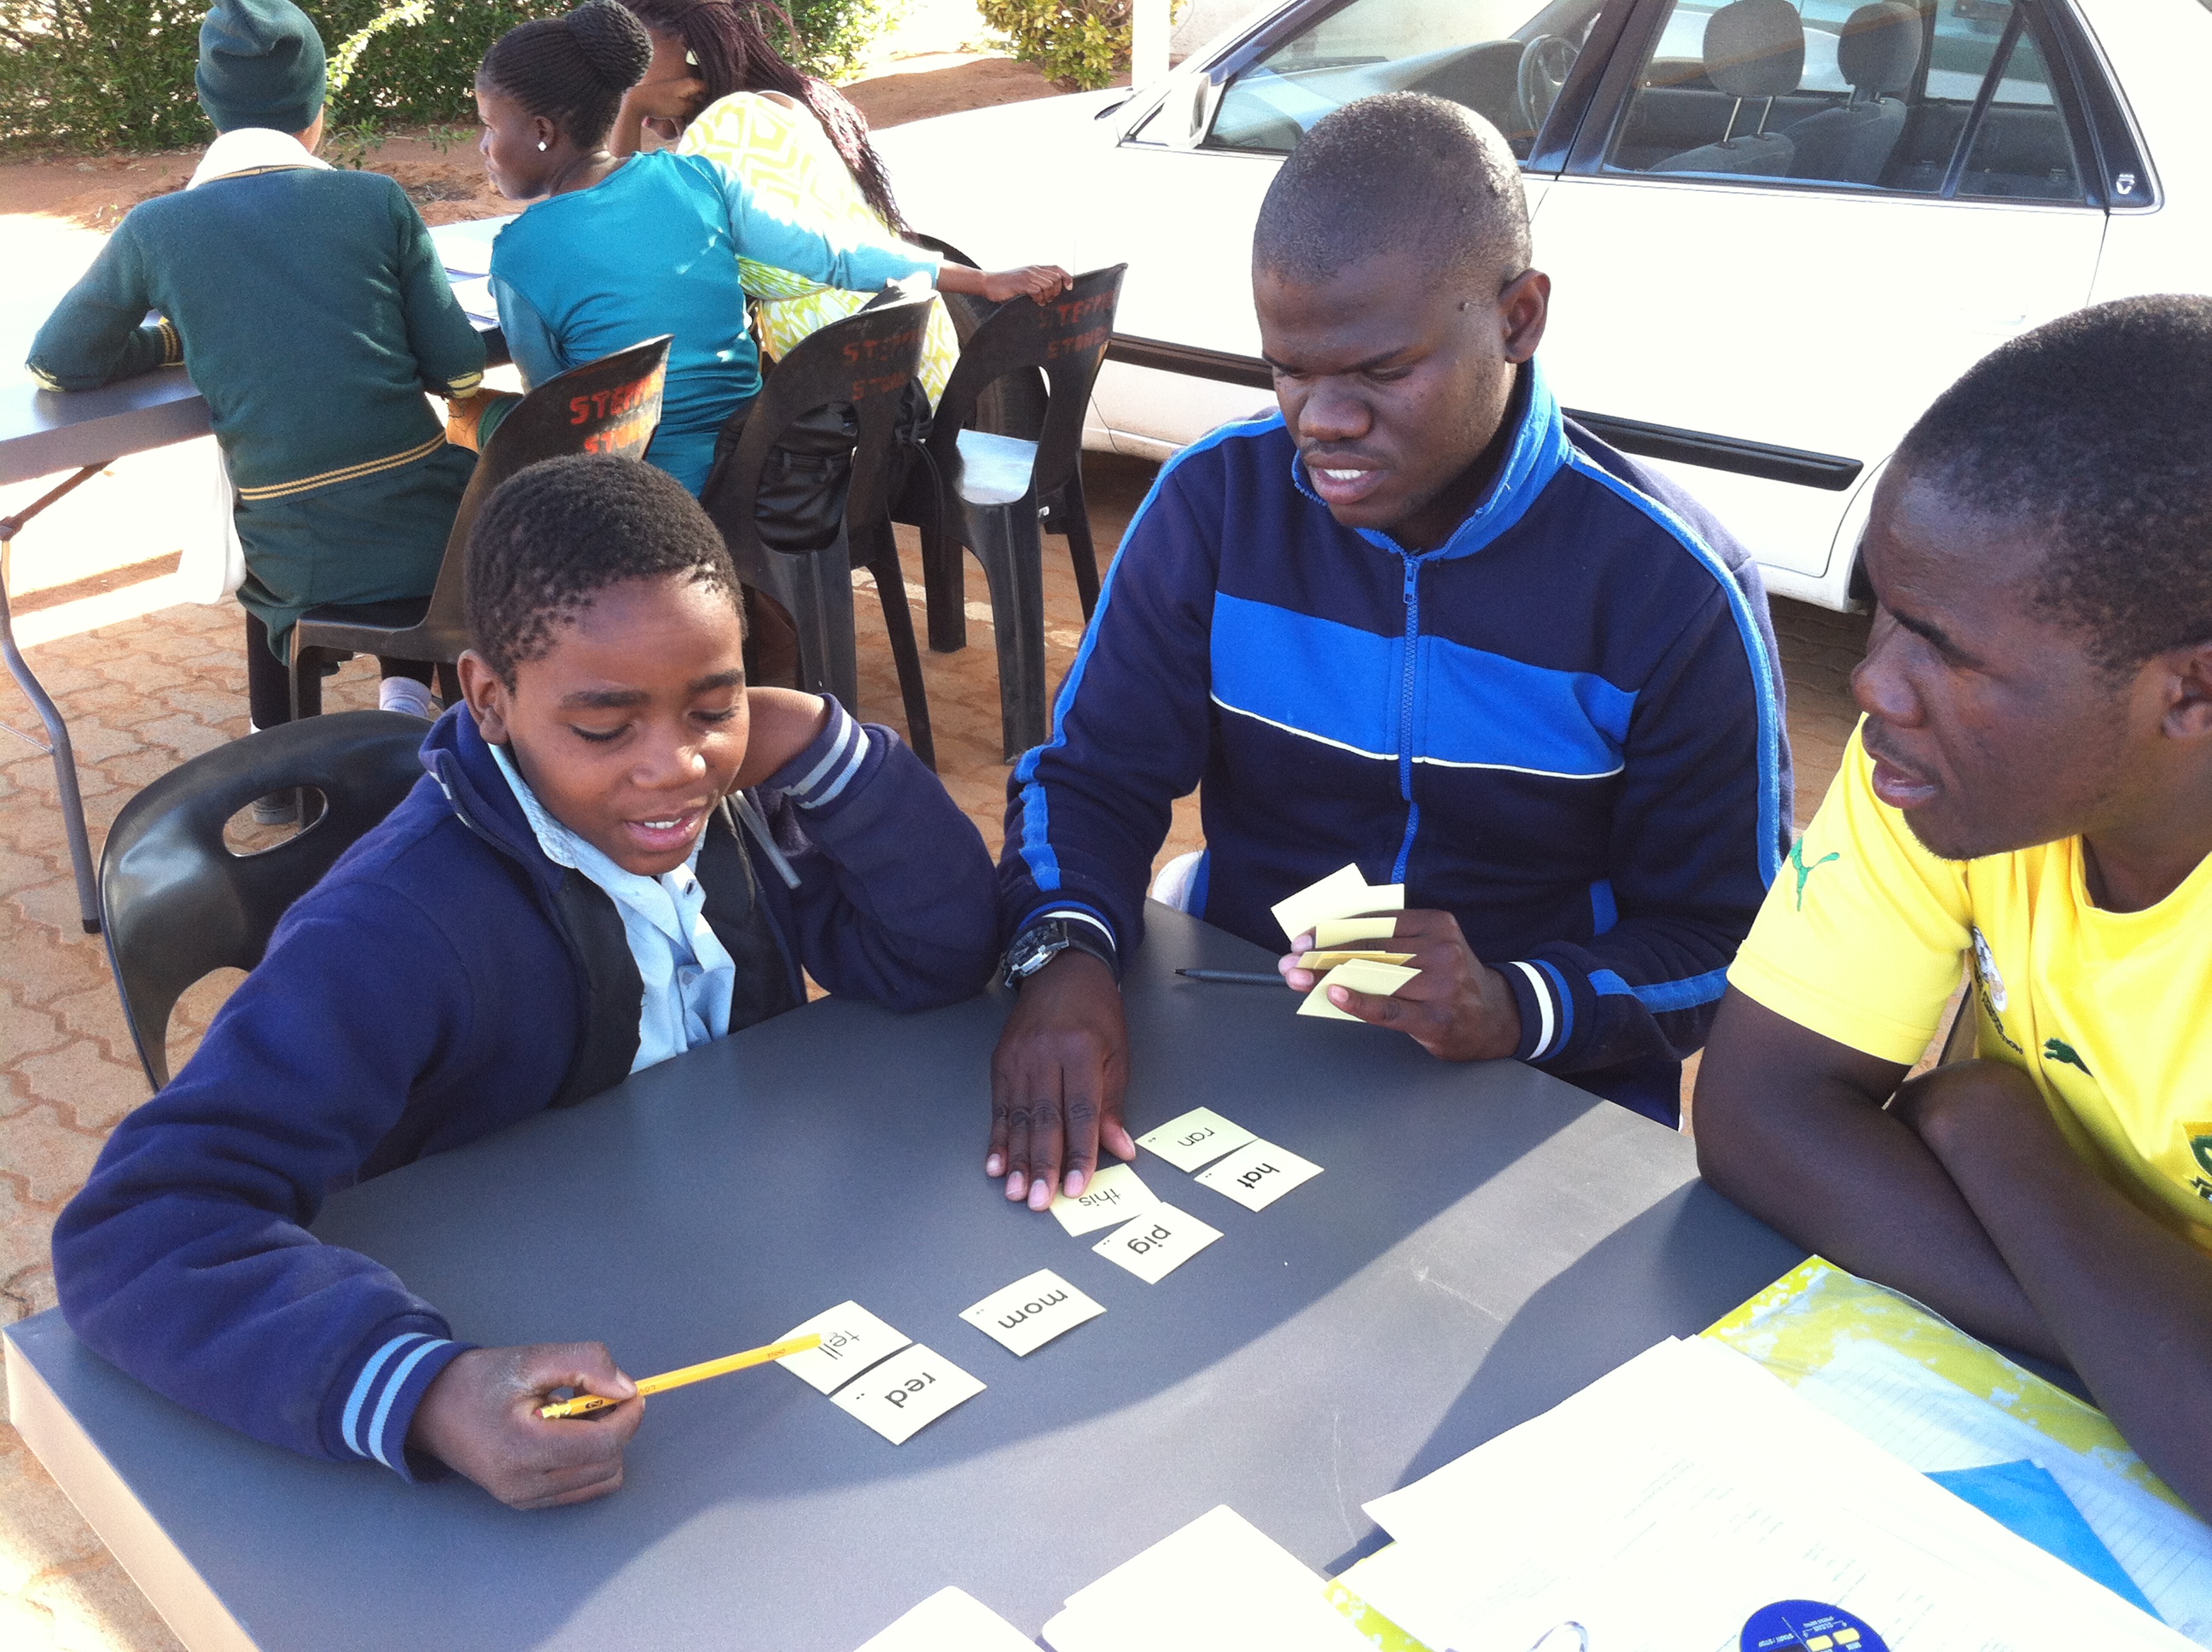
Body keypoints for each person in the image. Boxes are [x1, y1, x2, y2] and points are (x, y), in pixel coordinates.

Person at [53, 454, 999, 1509]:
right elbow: (137, 1228)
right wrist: (428, 1391)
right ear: (490, 699)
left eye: (711, 706)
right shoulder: (393, 928)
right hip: (519, 1341)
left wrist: (826, 746)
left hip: (731, 1285)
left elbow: (941, 955)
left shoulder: (738, 805)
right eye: (605, 726)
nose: (673, 765)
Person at [987, 93, 1790, 1210]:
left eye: (1376, 372)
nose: (1320, 420)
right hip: (1243, 1031)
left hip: (1539, 1097)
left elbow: (1727, 940)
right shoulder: (1218, 507)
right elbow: (1093, 775)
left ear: (1518, 319)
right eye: (1289, 371)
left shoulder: (1673, 591)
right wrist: (1063, 953)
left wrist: (1512, 1002)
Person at [1693, 294, 2212, 1520]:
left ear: (2190, 692)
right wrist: (2148, 1348)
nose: (1873, 681)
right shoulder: (1943, 778)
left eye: (1946, 650)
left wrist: (1990, 1128)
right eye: (1884, 605)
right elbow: (1756, 1114)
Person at [27, 0, 483, 739]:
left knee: (279, 543)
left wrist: (177, 340)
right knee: (424, 486)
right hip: (432, 531)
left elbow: (59, 363)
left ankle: (283, 768)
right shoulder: (376, 200)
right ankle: (409, 701)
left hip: (296, 549)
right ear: (318, 111)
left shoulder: (158, 228)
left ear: (210, 110)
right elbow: (460, 375)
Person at [458, 0, 1064, 498]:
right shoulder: (697, 181)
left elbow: (558, 411)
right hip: (751, 466)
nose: (484, 146)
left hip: (638, 491)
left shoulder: (519, 252)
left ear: (541, 132)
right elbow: (838, 253)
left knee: (472, 423)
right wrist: (982, 282)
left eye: (489, 124)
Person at [610, 0, 961, 406]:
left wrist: (632, 108)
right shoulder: (771, 101)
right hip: (887, 337)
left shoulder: (731, 119)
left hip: (858, 355)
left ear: (693, 53)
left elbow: (624, 214)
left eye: (639, 64)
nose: (628, 82)